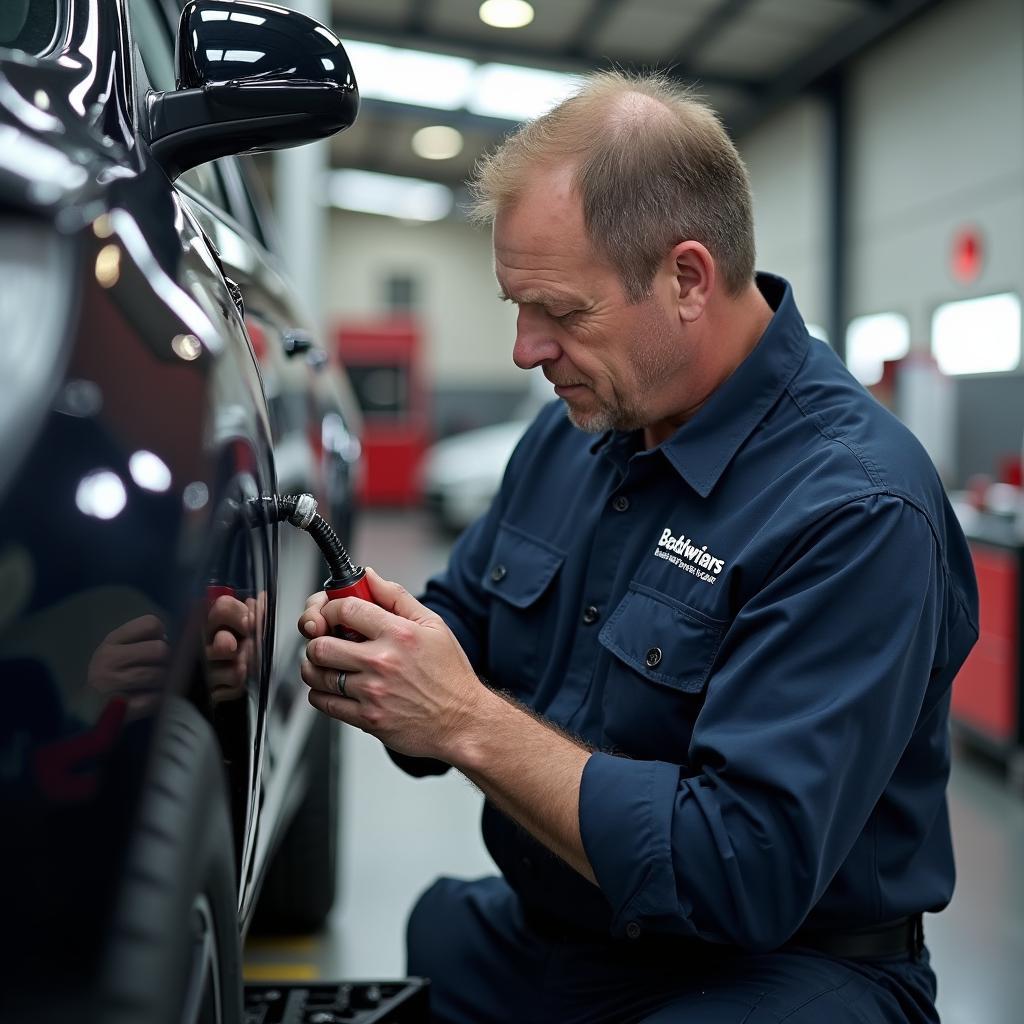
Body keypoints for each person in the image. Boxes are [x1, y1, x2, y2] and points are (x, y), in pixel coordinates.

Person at [298, 72, 978, 1024]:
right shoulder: (574, 431)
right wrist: (357, 644)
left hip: (774, 970)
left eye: (562, 313)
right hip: (563, 935)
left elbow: (740, 870)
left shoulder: (855, 509)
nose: (525, 351)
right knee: (443, 934)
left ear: (688, 278)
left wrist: (464, 720)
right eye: (514, 307)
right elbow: (468, 628)